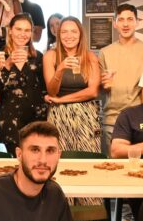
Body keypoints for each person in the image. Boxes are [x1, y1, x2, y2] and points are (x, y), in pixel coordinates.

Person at [98, 4, 143, 154]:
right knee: (112, 170)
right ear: (115, 23)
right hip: (112, 119)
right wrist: (104, 85)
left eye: (130, 19)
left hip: (139, 120)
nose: (126, 24)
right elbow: (100, 90)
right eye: (121, 19)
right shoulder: (105, 53)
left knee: (141, 169)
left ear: (137, 22)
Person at [43, 16, 102, 153]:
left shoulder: (90, 57)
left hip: (87, 113)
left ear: (80, 34)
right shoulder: (50, 56)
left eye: (74, 31)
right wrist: (60, 69)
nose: (69, 36)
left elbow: (93, 91)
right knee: (59, 157)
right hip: (59, 115)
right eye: (64, 32)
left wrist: (61, 100)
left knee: (88, 155)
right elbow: (51, 92)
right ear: (59, 35)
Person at [0, 13, 47, 155]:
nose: (23, 34)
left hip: (37, 119)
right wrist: (8, 63)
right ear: (10, 30)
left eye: (27, 30)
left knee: (36, 160)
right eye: (19, 29)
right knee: (17, 163)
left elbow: (43, 88)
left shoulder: (38, 57)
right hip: (11, 120)